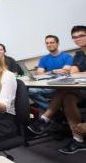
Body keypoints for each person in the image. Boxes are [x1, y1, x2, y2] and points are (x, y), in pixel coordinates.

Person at [28, 26, 86, 154]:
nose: (78, 39)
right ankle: (78, 140)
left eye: (81, 35)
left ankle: (46, 118)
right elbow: (73, 71)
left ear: (57, 43)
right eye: (75, 37)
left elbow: (70, 71)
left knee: (62, 90)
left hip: (79, 88)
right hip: (80, 89)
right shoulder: (79, 54)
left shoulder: (67, 56)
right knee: (67, 97)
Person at [28, 35, 73, 110]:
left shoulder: (67, 57)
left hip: (61, 86)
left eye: (52, 42)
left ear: (57, 44)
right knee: (29, 91)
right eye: (47, 43)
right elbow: (39, 73)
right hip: (47, 85)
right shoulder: (43, 59)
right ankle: (53, 110)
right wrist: (53, 72)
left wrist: (48, 72)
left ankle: (51, 111)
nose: (49, 45)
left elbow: (65, 70)